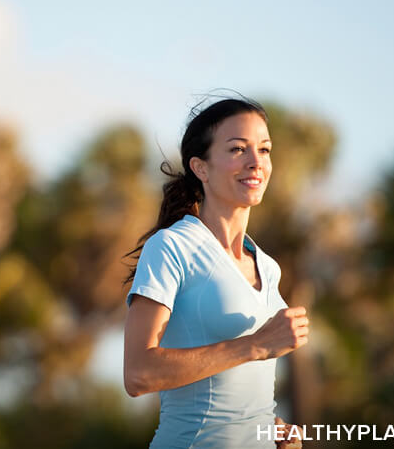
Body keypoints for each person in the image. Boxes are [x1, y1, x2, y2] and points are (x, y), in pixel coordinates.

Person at [123, 97, 308, 448]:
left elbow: (237, 398)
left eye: (265, 150)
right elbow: (138, 374)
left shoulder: (268, 267)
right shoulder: (172, 247)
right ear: (201, 168)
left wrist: (270, 431)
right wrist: (256, 344)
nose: (256, 163)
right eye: (238, 149)